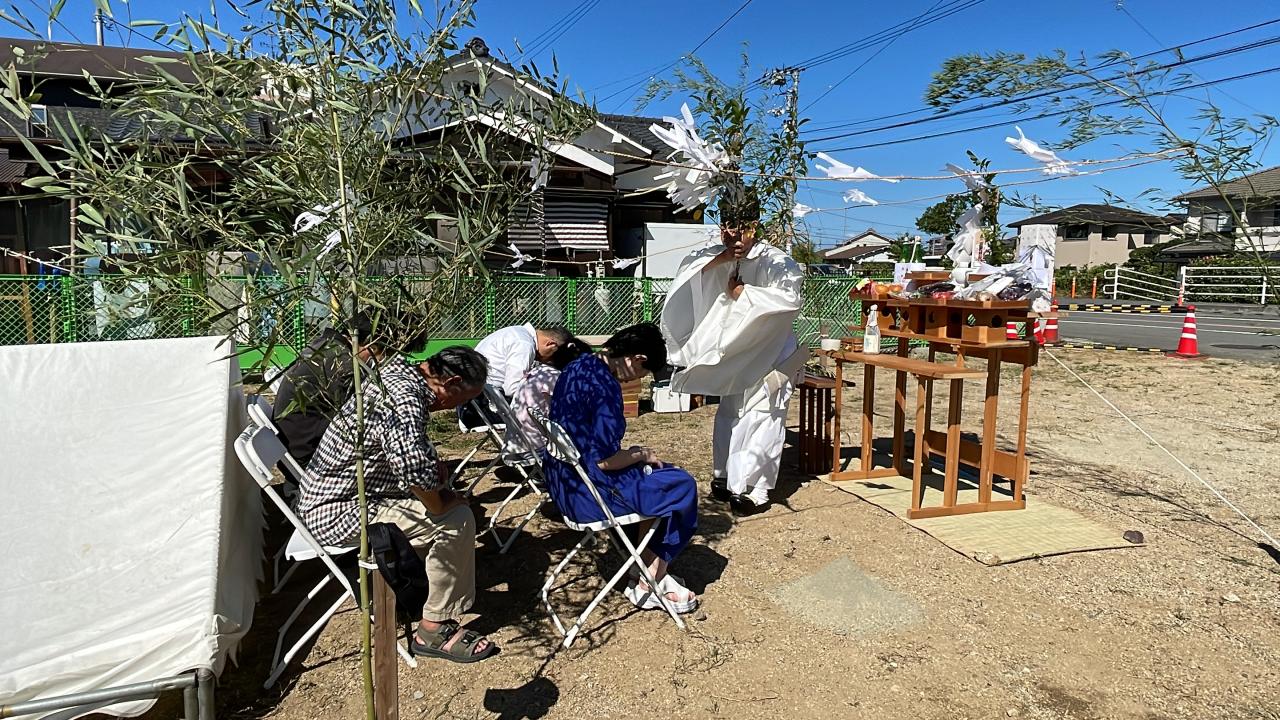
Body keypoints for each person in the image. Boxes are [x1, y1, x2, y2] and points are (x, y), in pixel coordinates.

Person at [298, 346, 499, 663]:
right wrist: (442, 503)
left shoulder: (398, 373)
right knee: (457, 519)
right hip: (337, 510)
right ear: (452, 382)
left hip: (334, 496)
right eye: (462, 400)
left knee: (444, 499)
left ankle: (412, 587)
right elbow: (411, 470)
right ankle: (434, 627)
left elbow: (404, 454)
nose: (455, 408)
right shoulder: (405, 400)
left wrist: (434, 474)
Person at [659, 190, 806, 515]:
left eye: (740, 226)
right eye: (727, 225)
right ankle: (725, 477)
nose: (733, 233)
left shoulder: (777, 260)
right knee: (730, 412)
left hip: (772, 354)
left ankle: (755, 490)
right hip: (735, 354)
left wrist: (745, 293)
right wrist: (721, 261)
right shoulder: (718, 254)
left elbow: (789, 300)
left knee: (764, 416)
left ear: (755, 226)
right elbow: (690, 276)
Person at [543, 323, 700, 613]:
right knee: (681, 485)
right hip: (588, 493)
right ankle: (649, 579)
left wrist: (634, 455)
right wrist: (639, 454)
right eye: (643, 372)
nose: (637, 379)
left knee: (663, 478)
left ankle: (645, 563)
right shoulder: (605, 388)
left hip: (563, 479)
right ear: (637, 358)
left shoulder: (580, 364)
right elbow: (604, 460)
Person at [273, 312, 428, 468]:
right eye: (391, 355)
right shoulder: (344, 367)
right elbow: (365, 422)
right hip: (312, 460)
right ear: (372, 346)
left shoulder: (328, 344)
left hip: (295, 447)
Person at [500, 336, 592, 465]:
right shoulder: (554, 378)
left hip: (515, 445)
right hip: (535, 449)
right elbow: (570, 413)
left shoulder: (539, 371)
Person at [460, 323, 570, 429]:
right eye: (554, 358)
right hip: (480, 411)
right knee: (555, 416)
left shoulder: (517, 333)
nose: (549, 362)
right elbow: (512, 389)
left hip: (471, 405)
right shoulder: (524, 344)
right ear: (550, 344)